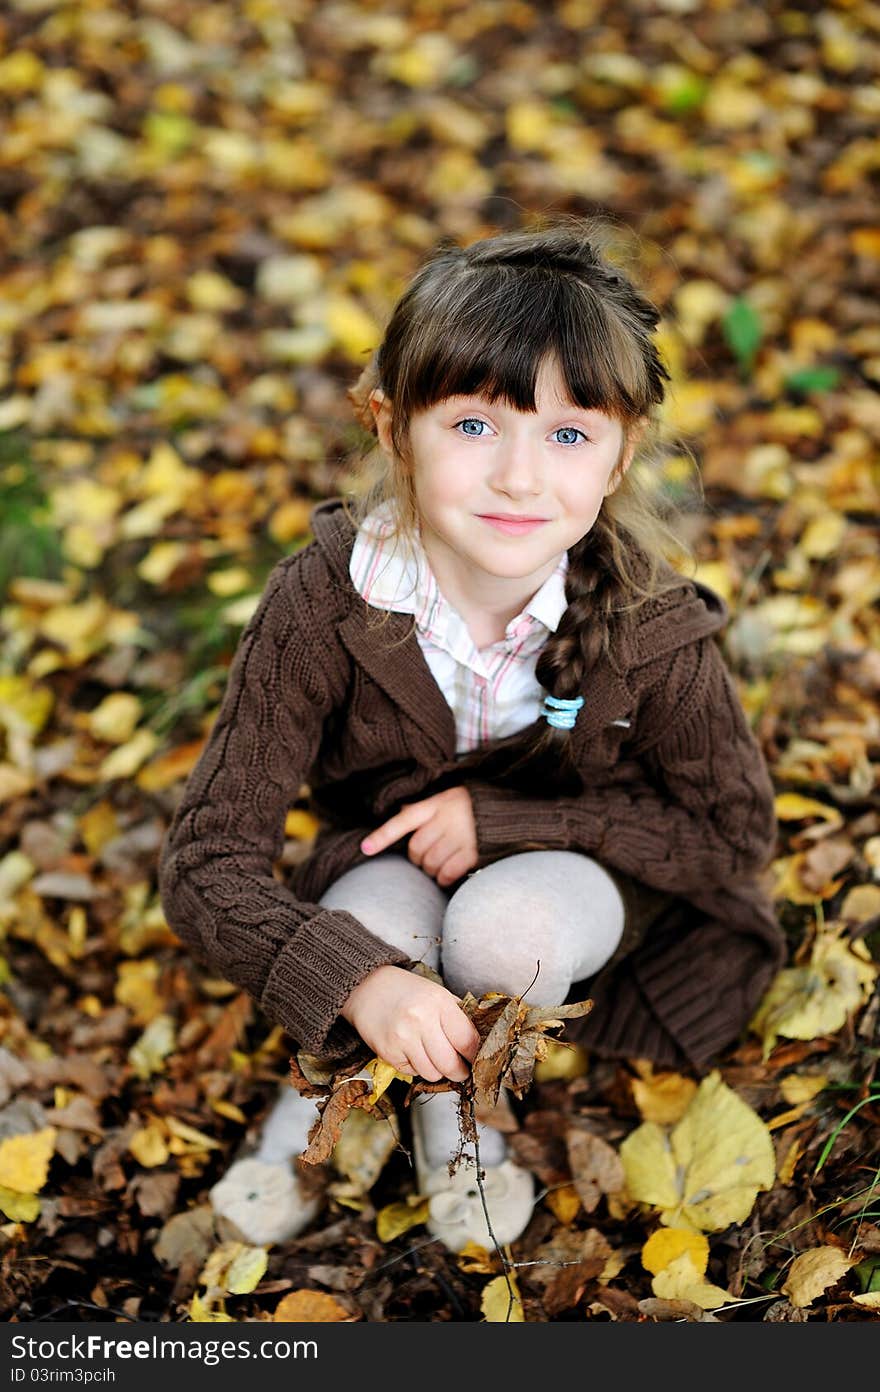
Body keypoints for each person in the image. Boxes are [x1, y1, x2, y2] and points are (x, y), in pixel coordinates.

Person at [157, 214, 784, 1254]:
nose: (520, 478)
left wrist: (502, 820)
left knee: (499, 934)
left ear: (621, 458)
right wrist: (356, 978)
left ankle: (465, 1119)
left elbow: (730, 838)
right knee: (382, 929)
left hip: (563, 880)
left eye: (569, 435)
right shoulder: (321, 606)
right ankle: (319, 1099)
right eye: (475, 426)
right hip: (385, 869)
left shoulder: (649, 631)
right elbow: (205, 861)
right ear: (390, 425)